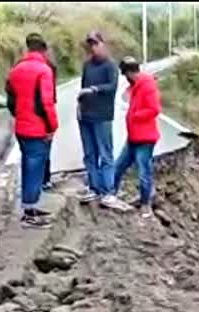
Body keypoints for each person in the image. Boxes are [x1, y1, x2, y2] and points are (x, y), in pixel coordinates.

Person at [5, 33, 58, 228]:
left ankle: (30, 207)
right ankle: (29, 214)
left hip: (21, 126)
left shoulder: (16, 70)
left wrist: (19, 114)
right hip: (37, 128)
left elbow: (10, 99)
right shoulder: (43, 70)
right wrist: (53, 126)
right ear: (43, 50)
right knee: (35, 169)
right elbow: (47, 103)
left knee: (28, 166)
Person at [77, 30, 127, 210]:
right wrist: (79, 107)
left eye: (95, 43)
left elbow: (112, 86)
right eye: (90, 44)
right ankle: (94, 187)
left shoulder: (110, 66)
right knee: (90, 154)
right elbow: (82, 88)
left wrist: (94, 89)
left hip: (102, 116)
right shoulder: (87, 65)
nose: (93, 48)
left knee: (105, 154)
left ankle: (108, 191)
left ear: (102, 44)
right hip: (86, 115)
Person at [112, 56, 162, 219]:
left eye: (125, 75)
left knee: (143, 171)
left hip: (145, 138)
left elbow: (154, 109)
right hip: (133, 137)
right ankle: (111, 194)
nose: (125, 79)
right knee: (119, 166)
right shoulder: (136, 85)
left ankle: (146, 205)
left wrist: (135, 115)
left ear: (129, 73)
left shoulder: (147, 85)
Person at [42, 50, 58, 191]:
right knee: (45, 148)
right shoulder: (48, 69)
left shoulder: (21, 67)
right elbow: (49, 100)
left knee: (32, 153)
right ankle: (45, 179)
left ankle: (39, 181)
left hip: (26, 119)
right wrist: (53, 126)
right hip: (44, 116)